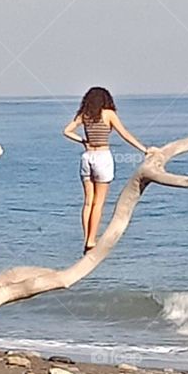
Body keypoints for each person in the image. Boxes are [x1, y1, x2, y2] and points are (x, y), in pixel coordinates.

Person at [63, 86, 150, 253]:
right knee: (99, 202)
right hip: (102, 156)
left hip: (87, 157)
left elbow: (67, 131)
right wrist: (144, 149)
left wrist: (83, 140)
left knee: (88, 201)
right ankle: (91, 240)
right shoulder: (109, 114)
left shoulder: (85, 115)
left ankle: (86, 237)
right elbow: (124, 134)